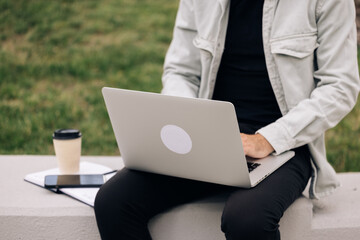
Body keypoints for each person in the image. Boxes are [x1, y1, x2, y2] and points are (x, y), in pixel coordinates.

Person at [94, 0, 360, 239]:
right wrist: (186, 123)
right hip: (206, 140)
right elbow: (181, 71)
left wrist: (266, 139)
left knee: (247, 219)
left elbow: (340, 86)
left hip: (284, 145)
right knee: (114, 202)